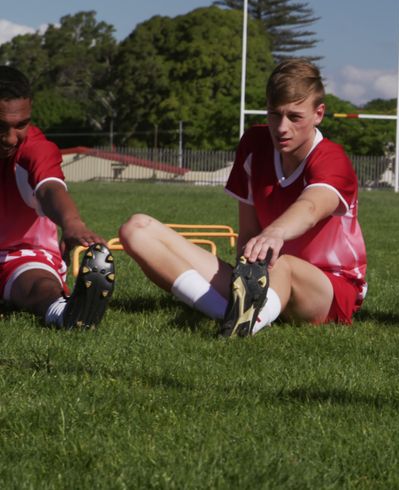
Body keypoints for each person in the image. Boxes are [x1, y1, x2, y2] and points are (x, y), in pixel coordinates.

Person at [119, 59, 367, 337]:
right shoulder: (254, 144)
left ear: (318, 114)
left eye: (295, 117)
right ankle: (231, 314)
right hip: (265, 276)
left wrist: (275, 232)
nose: (282, 127)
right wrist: (243, 271)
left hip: (329, 290)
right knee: (136, 229)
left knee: (283, 264)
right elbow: (248, 232)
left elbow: (310, 207)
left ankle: (248, 323)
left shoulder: (332, 158)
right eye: (274, 114)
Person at [0, 65, 115, 329]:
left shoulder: (36, 149)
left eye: (21, 125)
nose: (9, 138)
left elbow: (50, 188)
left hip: (23, 255)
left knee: (40, 285)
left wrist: (72, 222)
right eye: (0, 127)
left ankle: (65, 312)